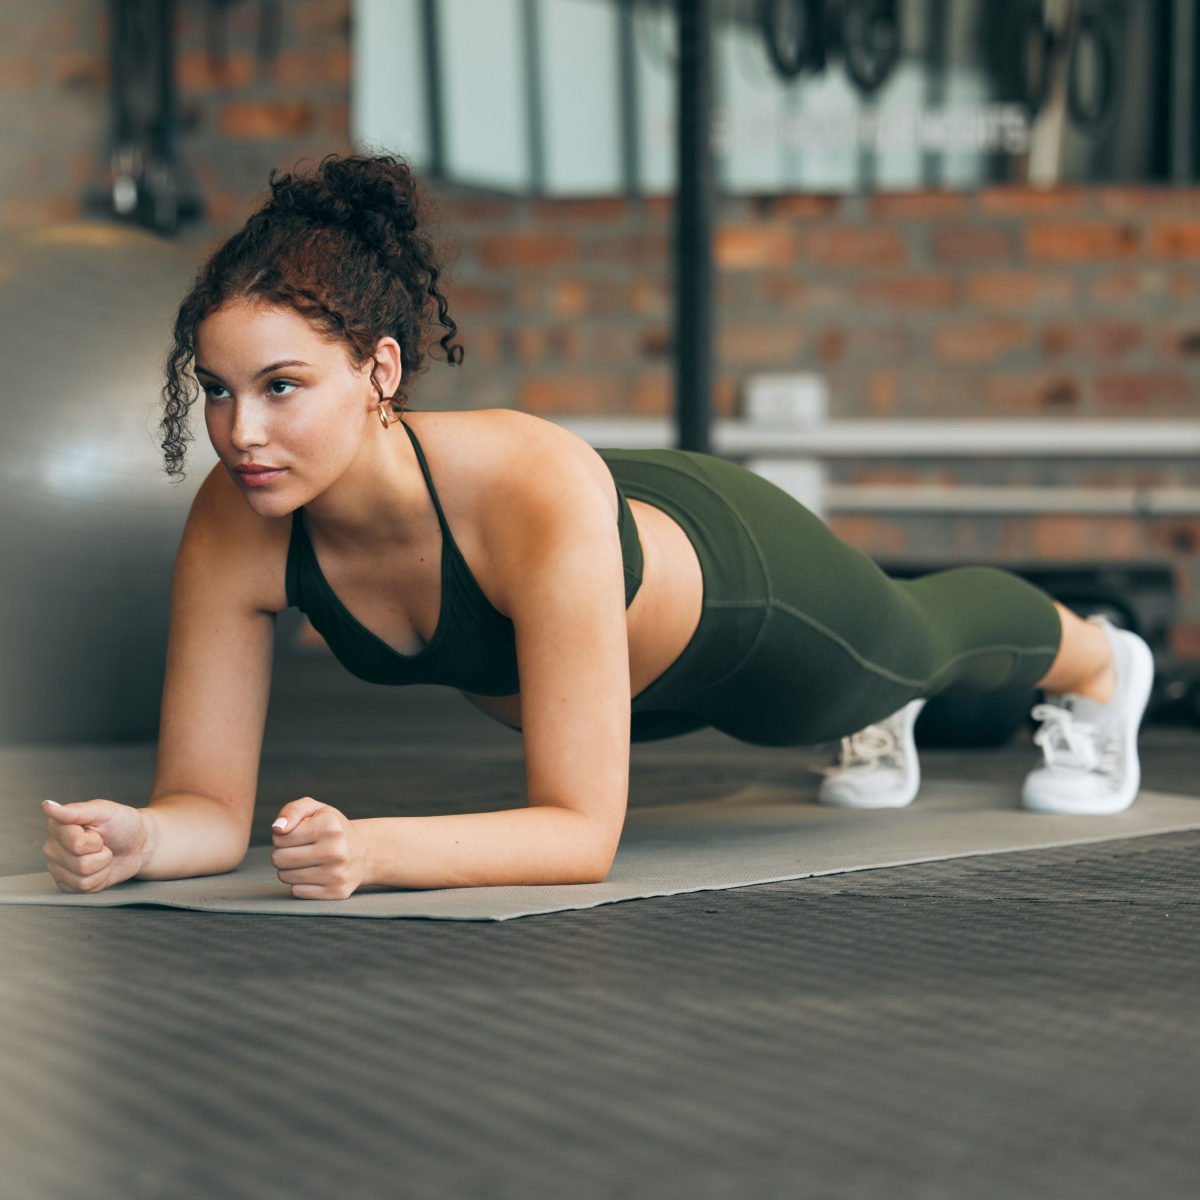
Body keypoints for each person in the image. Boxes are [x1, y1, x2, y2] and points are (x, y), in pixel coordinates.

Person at [41, 156, 1154, 901]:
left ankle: (1108, 662)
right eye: (219, 390)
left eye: (282, 385)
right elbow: (208, 808)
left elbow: (581, 832)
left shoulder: (526, 487)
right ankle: (901, 716)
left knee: (910, 644)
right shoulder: (239, 521)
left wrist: (375, 850)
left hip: (737, 601)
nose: (241, 429)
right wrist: (143, 839)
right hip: (612, 671)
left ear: (380, 370)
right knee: (858, 695)